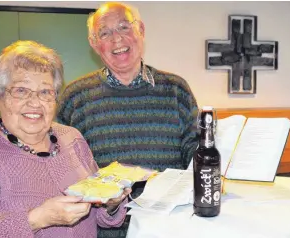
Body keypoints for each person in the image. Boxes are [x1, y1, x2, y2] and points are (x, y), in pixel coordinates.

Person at [0, 40, 131, 238]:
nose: (34, 102)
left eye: (45, 92)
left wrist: (111, 204)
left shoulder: (71, 138)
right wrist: (37, 219)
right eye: (21, 91)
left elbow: (100, 215)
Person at [57, 2, 198, 237]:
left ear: (140, 30)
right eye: (105, 32)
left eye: (124, 27)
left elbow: (194, 151)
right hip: (103, 229)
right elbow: (60, 164)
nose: (117, 39)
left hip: (166, 226)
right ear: (94, 44)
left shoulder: (176, 89)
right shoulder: (75, 97)